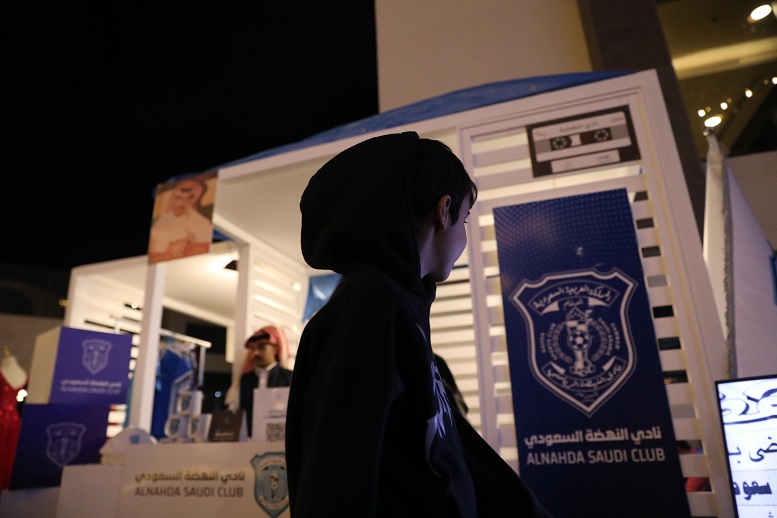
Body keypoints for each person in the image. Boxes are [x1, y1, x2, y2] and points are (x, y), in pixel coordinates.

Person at [286, 132, 551, 517]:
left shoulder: (394, 305)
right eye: (464, 219)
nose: (463, 236)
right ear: (444, 210)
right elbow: (336, 480)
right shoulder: (371, 302)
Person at [239, 325, 292, 437]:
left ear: (275, 350)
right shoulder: (246, 379)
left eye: (262, 348)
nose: (256, 353)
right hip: (249, 439)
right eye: (253, 349)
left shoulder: (288, 377)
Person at [148, 176, 213, 263]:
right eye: (179, 197)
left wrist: (188, 248)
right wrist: (169, 251)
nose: (182, 202)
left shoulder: (203, 223)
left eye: (190, 197)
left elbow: (205, 251)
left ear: (197, 199)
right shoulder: (160, 223)